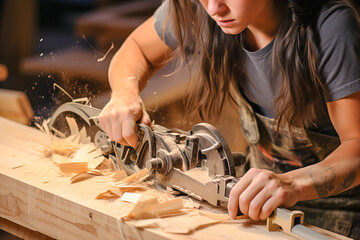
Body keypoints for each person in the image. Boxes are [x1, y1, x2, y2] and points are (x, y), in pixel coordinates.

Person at [98, 0, 360, 238]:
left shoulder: (330, 27)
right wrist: (124, 94)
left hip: (340, 215)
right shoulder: (200, 11)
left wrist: (292, 183)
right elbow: (137, 49)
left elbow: (356, 145)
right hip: (257, 202)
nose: (213, 9)